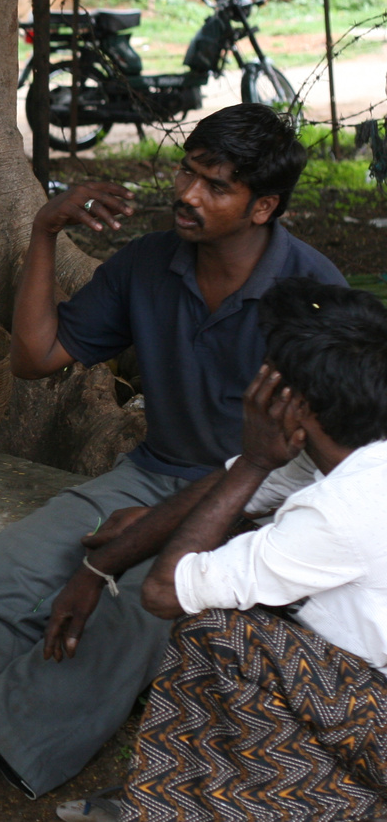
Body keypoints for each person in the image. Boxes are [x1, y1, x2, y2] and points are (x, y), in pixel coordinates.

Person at [0, 104, 348, 818]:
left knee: (139, 602)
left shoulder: (312, 294)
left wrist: (162, 526)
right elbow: (34, 358)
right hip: (150, 472)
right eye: (187, 172)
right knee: (14, 561)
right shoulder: (147, 263)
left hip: (256, 496)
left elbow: (313, 463)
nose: (188, 194)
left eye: (215, 185)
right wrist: (45, 231)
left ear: (264, 206)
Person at [100, 278, 387, 822]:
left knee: (217, 630)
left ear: (292, 403)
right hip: (362, 692)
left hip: (377, 720)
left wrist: (257, 459)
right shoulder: (353, 454)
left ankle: (195, 807)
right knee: (236, 569)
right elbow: (216, 493)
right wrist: (97, 569)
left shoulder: (339, 507)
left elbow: (165, 590)